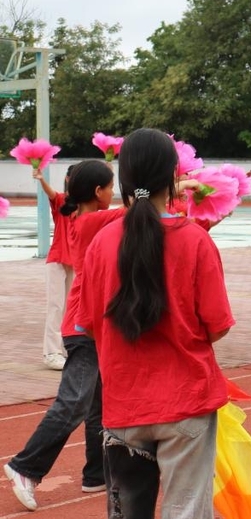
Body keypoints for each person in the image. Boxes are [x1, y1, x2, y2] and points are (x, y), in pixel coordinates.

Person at [77, 128, 234, 518]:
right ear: (174, 177)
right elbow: (217, 327)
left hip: (124, 404)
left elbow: (89, 324)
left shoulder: (102, 243)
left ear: (124, 179)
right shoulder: (195, 240)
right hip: (187, 402)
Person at [4, 160, 116, 512]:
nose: (113, 194)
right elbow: (141, 209)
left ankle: (95, 474)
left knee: (97, 404)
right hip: (82, 327)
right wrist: (167, 184)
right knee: (74, 403)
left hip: (94, 325)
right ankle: (25, 467)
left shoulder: (91, 217)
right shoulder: (90, 220)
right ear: (98, 193)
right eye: (110, 188)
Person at [34, 165, 77, 371]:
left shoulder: (85, 205)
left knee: (70, 308)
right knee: (56, 306)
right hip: (57, 260)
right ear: (68, 179)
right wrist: (41, 179)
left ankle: (67, 349)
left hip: (75, 262)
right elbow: (50, 192)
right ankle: (51, 353)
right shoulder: (61, 200)